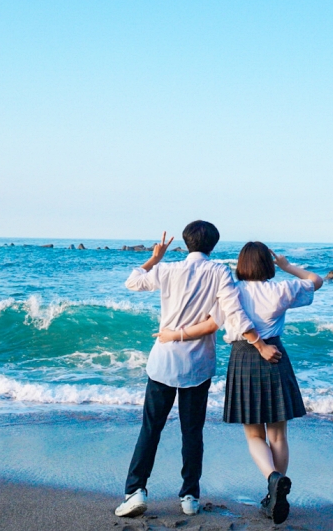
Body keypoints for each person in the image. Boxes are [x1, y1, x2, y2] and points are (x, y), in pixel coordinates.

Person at [114, 221, 282, 519]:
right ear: (213, 245)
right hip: (197, 364)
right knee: (192, 431)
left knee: (151, 428)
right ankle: (189, 495)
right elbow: (231, 313)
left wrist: (155, 257)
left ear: (187, 243)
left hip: (163, 360)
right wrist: (257, 342)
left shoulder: (167, 270)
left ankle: (136, 491)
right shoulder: (219, 272)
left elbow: (133, 281)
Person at [155, 241, 322, 524]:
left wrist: (175, 334)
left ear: (241, 265)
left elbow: (209, 326)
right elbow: (315, 281)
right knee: (278, 436)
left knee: (254, 436)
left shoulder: (231, 292)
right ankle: (276, 494)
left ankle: (272, 480)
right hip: (275, 354)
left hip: (244, 358)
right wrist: (287, 266)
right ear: (268, 266)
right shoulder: (281, 289)